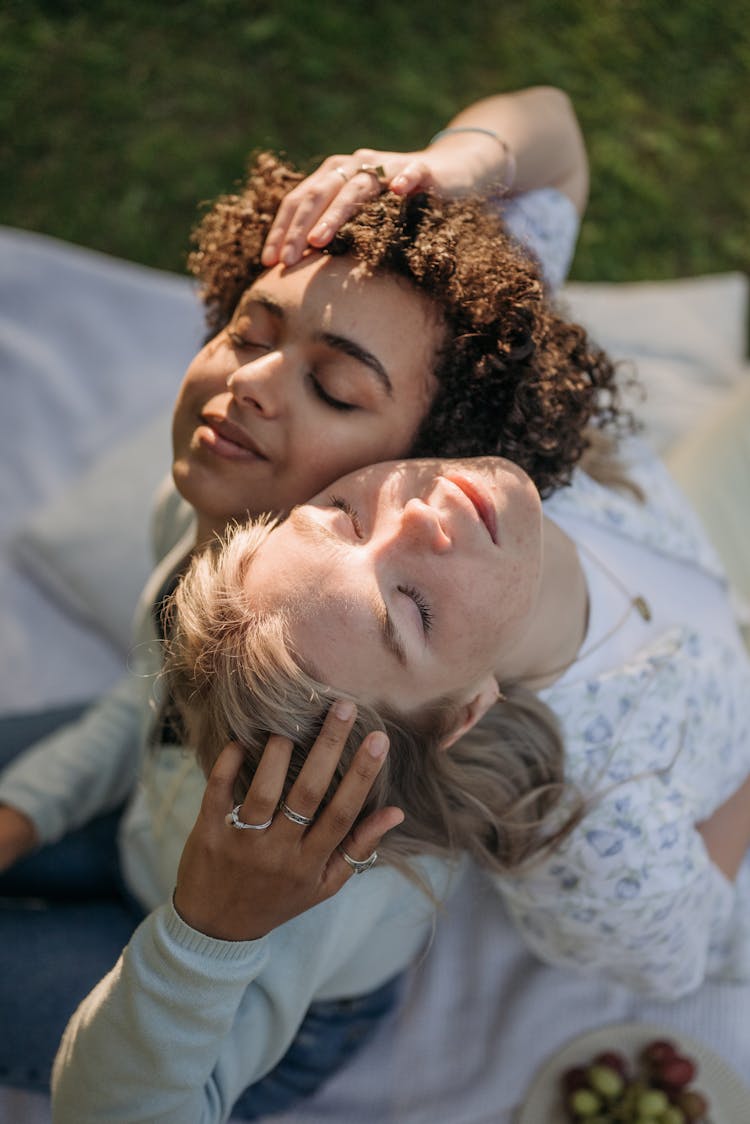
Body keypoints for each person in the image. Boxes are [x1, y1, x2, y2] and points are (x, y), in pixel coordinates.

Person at [1, 85, 612, 1108]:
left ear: (427, 452)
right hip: (152, 816)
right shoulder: (222, 526)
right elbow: (140, 705)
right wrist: (23, 810)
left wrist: (211, 925)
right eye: (250, 330)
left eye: (335, 389)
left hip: (235, 963)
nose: (249, 385)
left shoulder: (335, 866)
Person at [50, 437, 750, 1122]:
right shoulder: (609, 844)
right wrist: (203, 934)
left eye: (344, 514)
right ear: (465, 712)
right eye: (411, 610)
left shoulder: (529, 466)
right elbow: (678, 954)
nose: (413, 516)